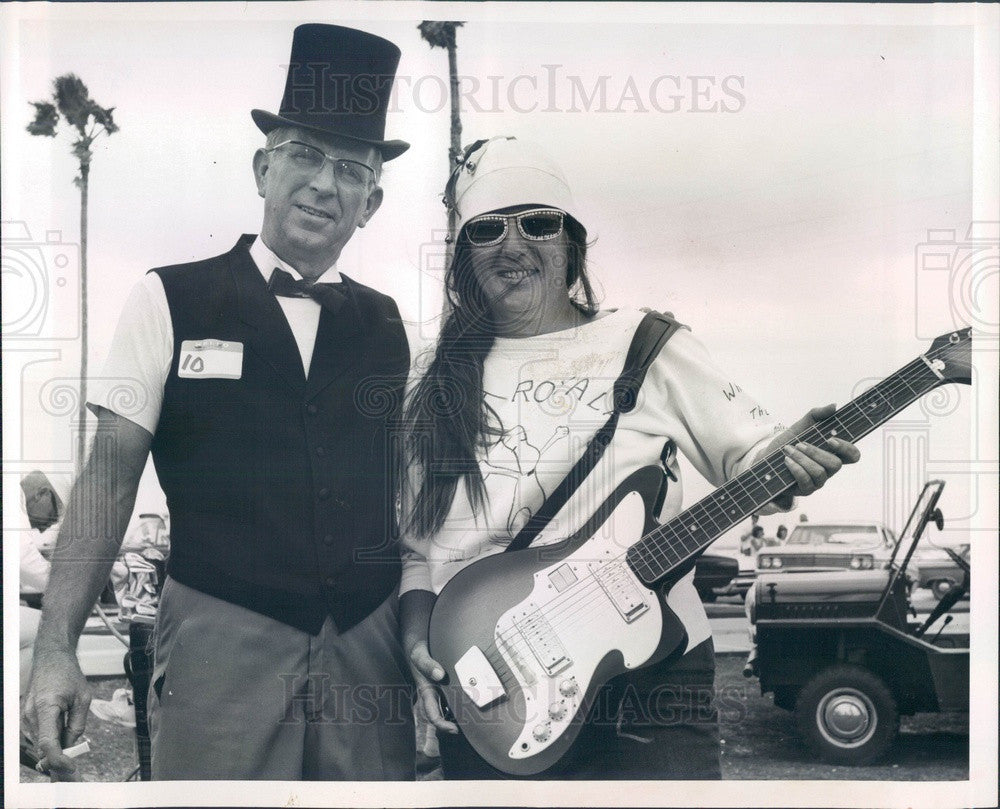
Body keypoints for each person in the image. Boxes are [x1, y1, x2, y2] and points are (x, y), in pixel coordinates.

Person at [398, 136, 860, 779]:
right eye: (486, 230)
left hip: (651, 681)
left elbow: (748, 454)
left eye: (538, 223)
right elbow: (416, 549)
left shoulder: (647, 344)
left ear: (571, 245)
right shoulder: (429, 374)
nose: (513, 245)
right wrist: (415, 642)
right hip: (495, 688)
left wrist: (789, 454)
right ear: (463, 257)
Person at [23, 24, 415, 781]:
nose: (323, 184)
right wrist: (54, 650)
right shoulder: (168, 297)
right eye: (304, 154)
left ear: (371, 201)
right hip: (220, 645)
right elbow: (108, 481)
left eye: (350, 169)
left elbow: (421, 498)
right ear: (263, 165)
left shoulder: (394, 326)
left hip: (369, 650)